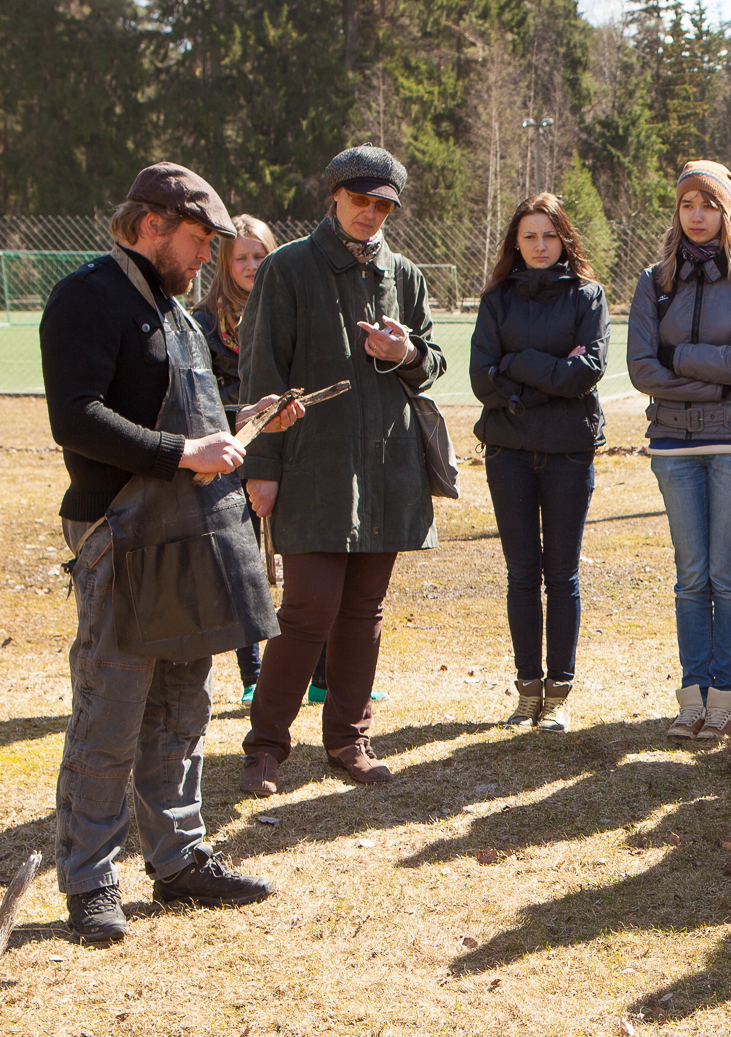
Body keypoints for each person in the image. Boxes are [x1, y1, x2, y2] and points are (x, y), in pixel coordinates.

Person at [42, 163, 298, 944]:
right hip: (120, 536)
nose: (206, 257)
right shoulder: (88, 297)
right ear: (150, 224)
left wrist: (243, 418)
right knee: (111, 715)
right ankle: (90, 882)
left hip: (193, 539)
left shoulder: (175, 309)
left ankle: (180, 859)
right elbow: (76, 417)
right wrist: (183, 450)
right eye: (197, 240)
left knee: (183, 710)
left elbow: (191, 414)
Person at [238, 144, 446, 796]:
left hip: (386, 467)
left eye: (384, 204)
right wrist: (262, 464)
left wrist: (406, 351)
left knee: (364, 610)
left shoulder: (405, 275)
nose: (372, 213)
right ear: (334, 197)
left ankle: (349, 739)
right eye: (361, 199)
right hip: (311, 466)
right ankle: (265, 746)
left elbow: (434, 361)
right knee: (307, 610)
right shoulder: (287, 269)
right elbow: (262, 371)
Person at [627, 161, 731, 742]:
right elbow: (642, 368)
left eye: (709, 205)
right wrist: (719, 378)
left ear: (725, 212)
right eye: (689, 203)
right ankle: (691, 697)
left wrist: (682, 360)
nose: (697, 215)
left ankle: (725, 695)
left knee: (726, 573)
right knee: (691, 576)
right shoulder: (653, 281)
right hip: (672, 442)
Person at [471, 193, 608, 734]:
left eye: (549, 235)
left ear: (564, 239)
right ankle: (527, 688)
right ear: (516, 243)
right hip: (508, 451)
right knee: (522, 572)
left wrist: (519, 366)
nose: (540, 245)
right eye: (529, 236)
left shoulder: (587, 296)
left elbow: (587, 371)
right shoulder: (497, 300)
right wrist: (537, 381)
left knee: (562, 572)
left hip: (568, 452)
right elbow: (484, 378)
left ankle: (560, 689)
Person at [192, 213, 279, 703]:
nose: (250, 265)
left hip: (286, 451)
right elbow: (201, 402)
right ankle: (254, 677)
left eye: (259, 255)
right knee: (242, 568)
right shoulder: (202, 324)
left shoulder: (287, 309)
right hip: (230, 455)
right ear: (224, 263)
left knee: (311, 566)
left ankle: (322, 675)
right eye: (240, 257)